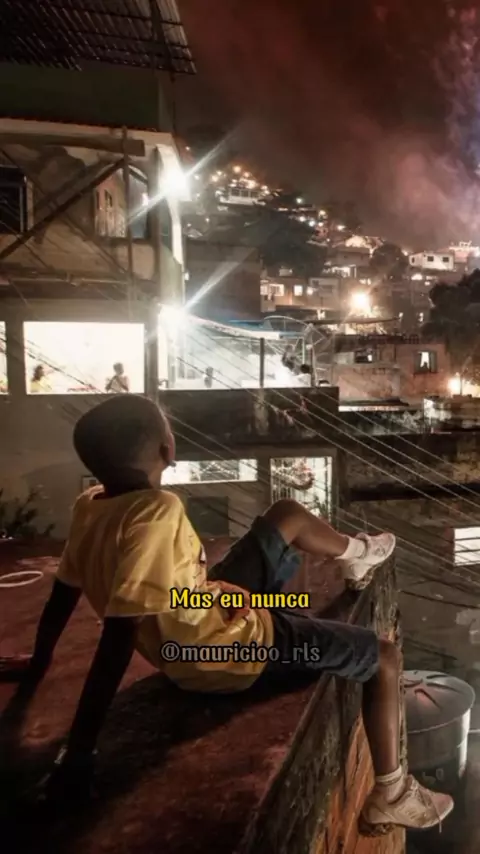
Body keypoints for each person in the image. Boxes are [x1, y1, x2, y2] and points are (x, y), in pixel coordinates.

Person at [21, 396, 453, 830]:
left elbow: (64, 592)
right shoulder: (158, 510)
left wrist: (39, 660)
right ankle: (392, 793)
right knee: (385, 658)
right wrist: (79, 752)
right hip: (226, 650)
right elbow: (119, 633)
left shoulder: (91, 504)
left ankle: (357, 555)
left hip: (199, 613)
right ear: (167, 450)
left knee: (286, 516)